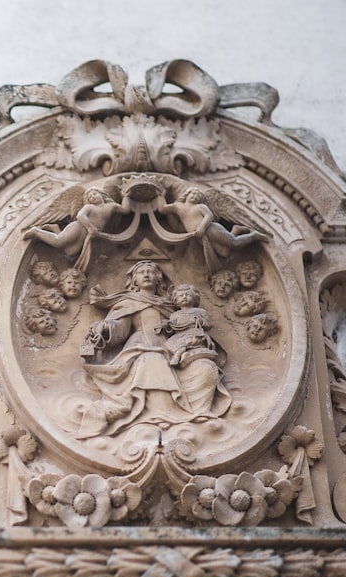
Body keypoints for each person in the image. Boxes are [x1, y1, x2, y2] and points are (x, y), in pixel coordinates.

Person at [78, 261, 231, 438]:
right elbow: (121, 329)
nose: (147, 275)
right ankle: (160, 415)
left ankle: (198, 413)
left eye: (151, 272)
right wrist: (106, 326)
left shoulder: (169, 305)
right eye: (142, 272)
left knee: (206, 367)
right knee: (152, 360)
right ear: (134, 280)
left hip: (173, 349)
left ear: (159, 279)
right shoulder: (129, 302)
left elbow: (186, 327)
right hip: (142, 348)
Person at [157, 187, 268, 259]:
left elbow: (209, 216)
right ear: (187, 194)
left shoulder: (200, 206)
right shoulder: (178, 207)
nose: (195, 197)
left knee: (234, 243)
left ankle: (254, 236)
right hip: (200, 237)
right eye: (193, 194)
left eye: (198, 197)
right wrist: (160, 194)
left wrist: (202, 227)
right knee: (225, 252)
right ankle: (236, 230)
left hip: (211, 229)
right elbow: (162, 209)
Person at [23, 187, 131, 258]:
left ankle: (56, 229)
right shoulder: (89, 207)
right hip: (79, 228)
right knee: (59, 242)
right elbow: (80, 216)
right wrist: (90, 228)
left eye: (94, 194)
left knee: (70, 252)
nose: (93, 197)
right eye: (90, 197)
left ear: (102, 194)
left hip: (87, 235)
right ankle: (36, 231)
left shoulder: (111, 206)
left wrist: (126, 195)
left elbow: (125, 210)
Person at [158, 284, 216, 366]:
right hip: (179, 335)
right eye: (181, 295)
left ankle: (176, 357)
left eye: (187, 295)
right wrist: (167, 325)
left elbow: (209, 324)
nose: (184, 297)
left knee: (184, 343)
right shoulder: (175, 315)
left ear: (194, 297)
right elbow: (172, 329)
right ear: (176, 299)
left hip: (195, 334)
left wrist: (201, 321)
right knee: (168, 344)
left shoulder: (200, 312)